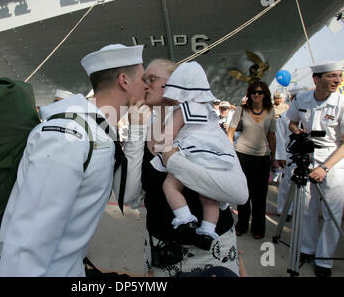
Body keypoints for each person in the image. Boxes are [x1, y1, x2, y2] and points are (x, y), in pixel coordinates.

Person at [0, 44, 148, 276]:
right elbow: (29, 238)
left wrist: (137, 132)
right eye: (144, 78)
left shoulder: (100, 133)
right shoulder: (68, 135)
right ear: (125, 81)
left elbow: (127, 196)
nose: (147, 85)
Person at [115, 59, 248, 276]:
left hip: (211, 254)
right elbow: (129, 197)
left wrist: (173, 162)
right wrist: (136, 130)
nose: (145, 85)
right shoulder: (143, 127)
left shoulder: (204, 127)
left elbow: (239, 193)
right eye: (144, 80)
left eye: (152, 79)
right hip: (163, 252)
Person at [148, 62, 238, 251]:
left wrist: (159, 144)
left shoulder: (182, 111)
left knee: (170, 186)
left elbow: (168, 136)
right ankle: (207, 230)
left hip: (190, 156)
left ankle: (184, 219)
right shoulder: (209, 111)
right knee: (209, 197)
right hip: (213, 159)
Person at [286, 61, 344, 277]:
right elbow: (291, 121)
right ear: (316, 79)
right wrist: (297, 130)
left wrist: (325, 168)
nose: (337, 80)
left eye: (339, 76)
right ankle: (307, 250)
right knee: (306, 208)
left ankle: (324, 259)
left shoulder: (341, 103)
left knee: (332, 212)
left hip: (334, 159)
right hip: (308, 155)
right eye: (332, 76)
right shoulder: (302, 99)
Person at [227, 81, 277, 239]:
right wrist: (231, 153)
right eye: (253, 92)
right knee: (243, 193)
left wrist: (274, 157)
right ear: (249, 94)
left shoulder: (270, 111)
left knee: (260, 195)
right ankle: (242, 224)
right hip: (242, 154)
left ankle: (258, 227)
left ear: (265, 95)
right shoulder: (241, 110)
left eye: (260, 92)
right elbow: (231, 131)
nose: (256, 95)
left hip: (263, 157)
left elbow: (272, 135)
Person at [275, 85, 309, 219]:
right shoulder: (284, 117)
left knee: (305, 188)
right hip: (289, 154)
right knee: (287, 184)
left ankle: (300, 210)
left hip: (306, 155)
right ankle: (284, 210)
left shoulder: (309, 115)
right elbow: (280, 137)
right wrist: (280, 156)